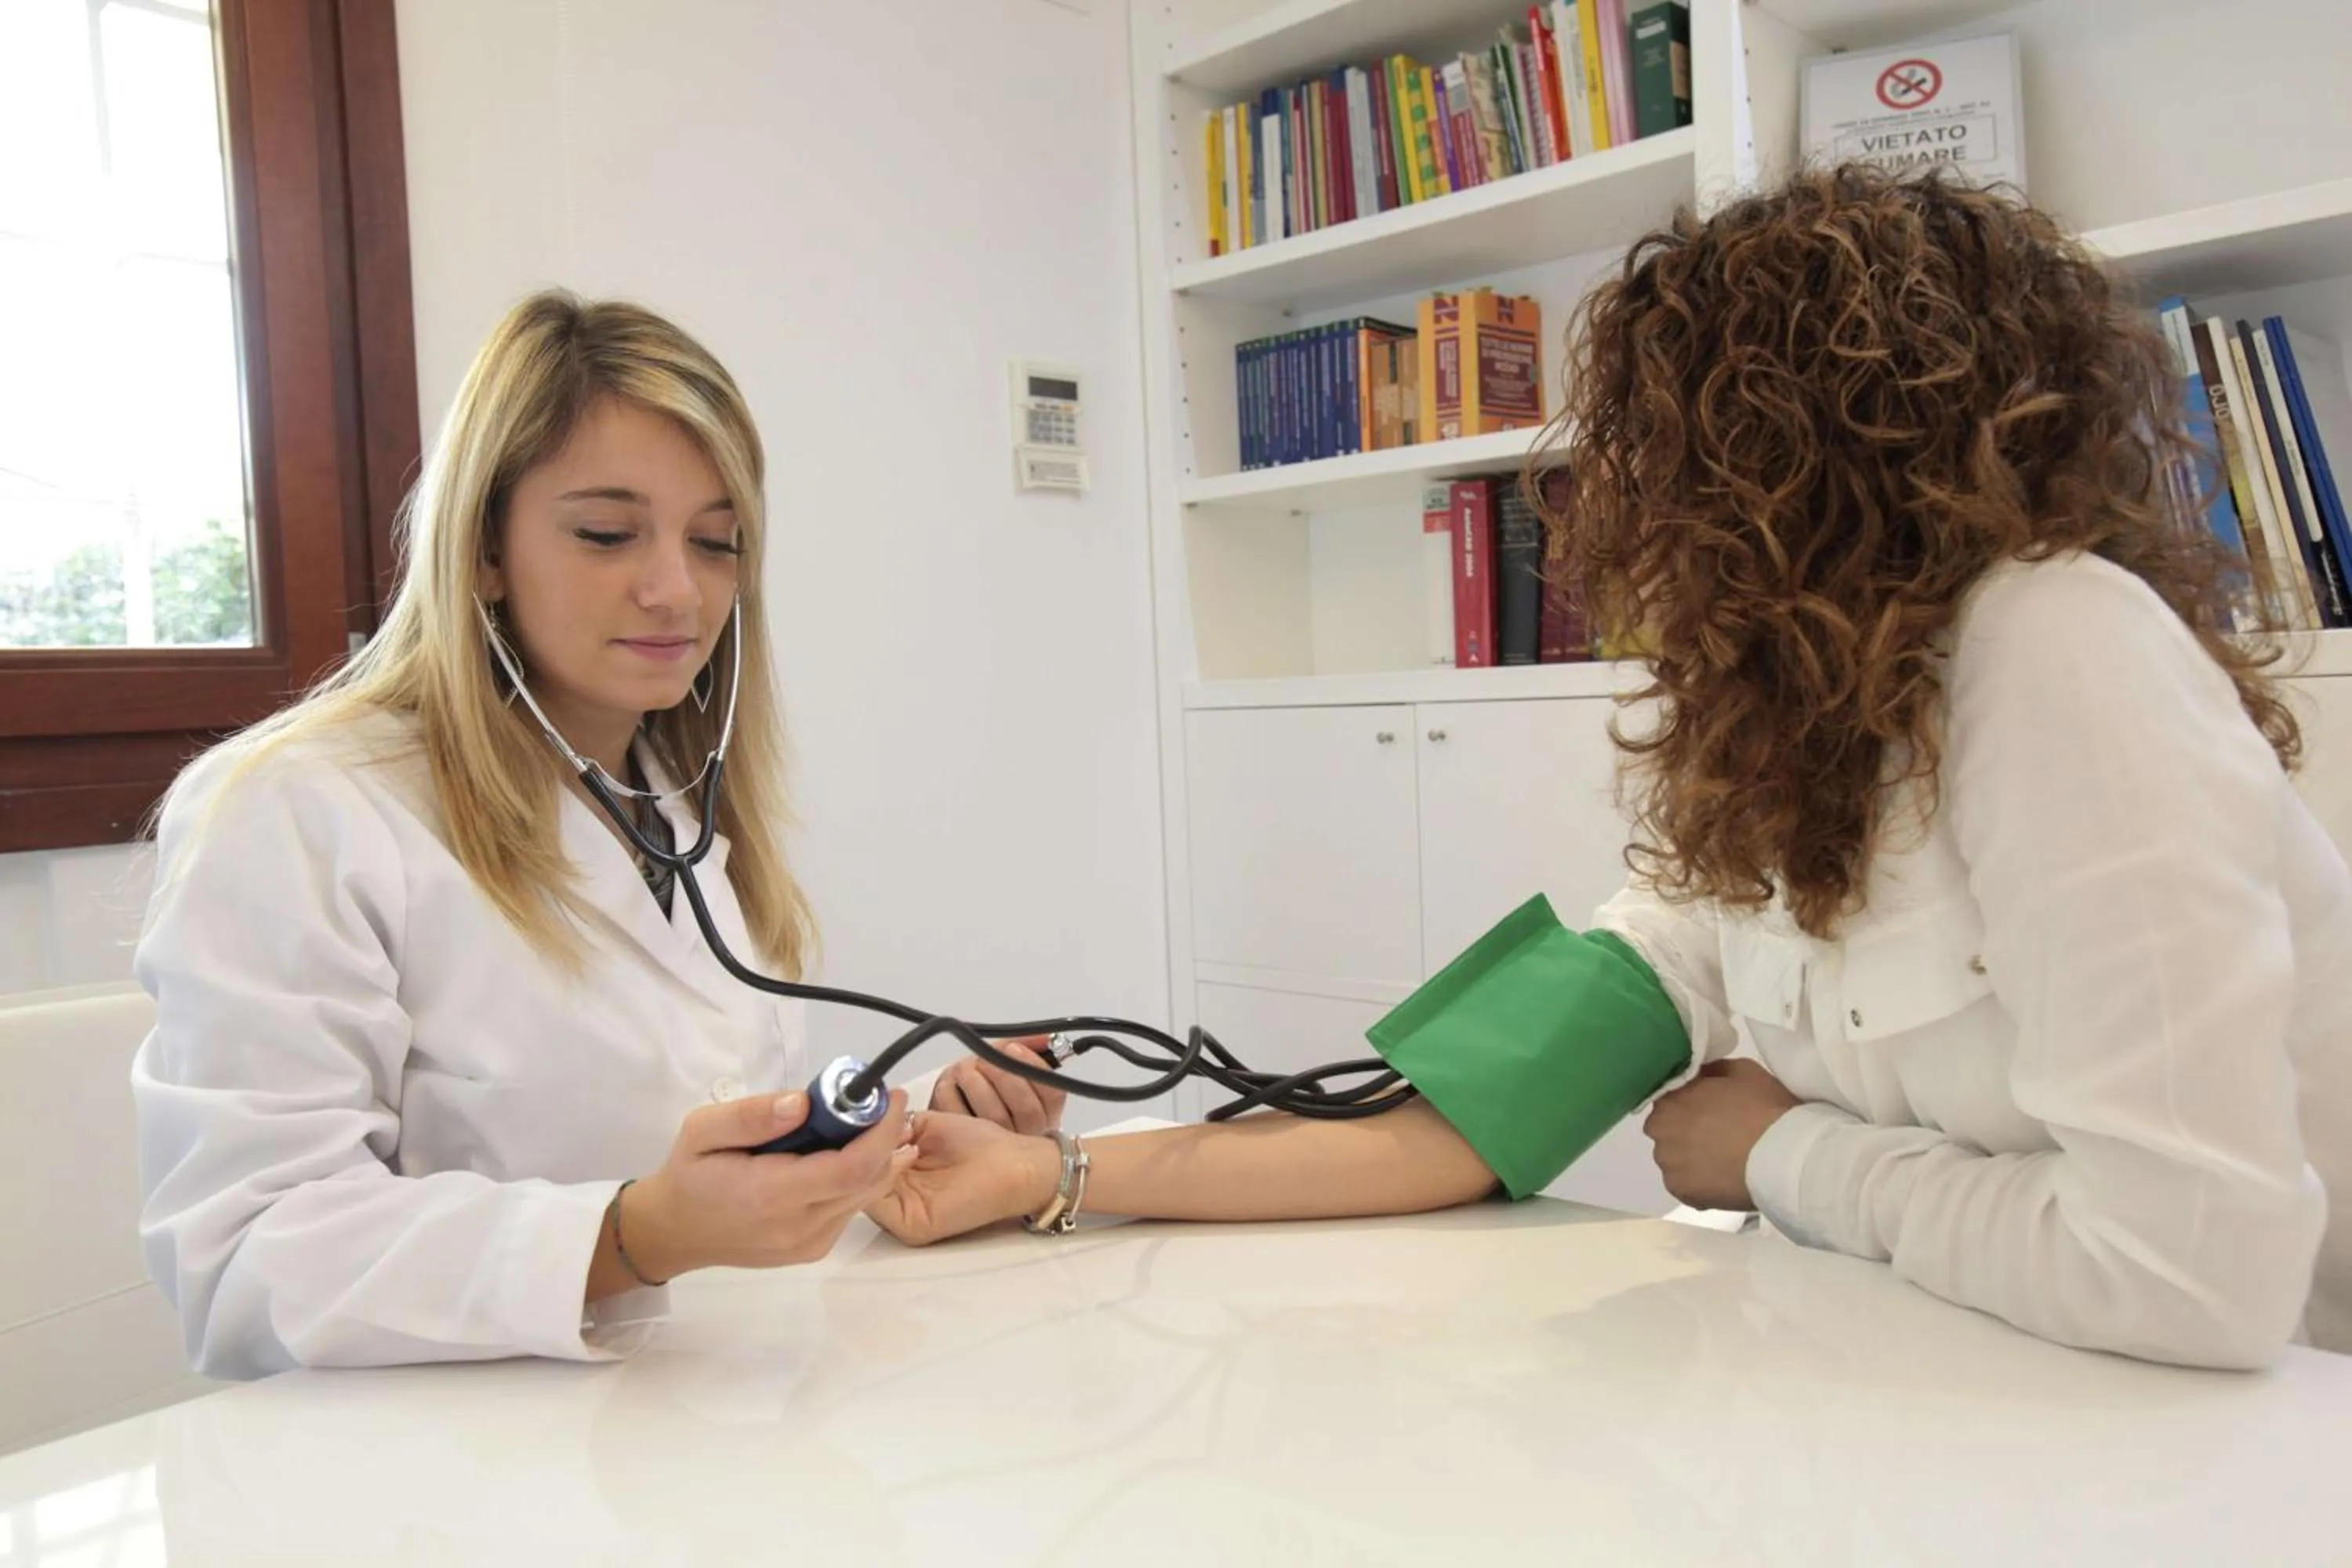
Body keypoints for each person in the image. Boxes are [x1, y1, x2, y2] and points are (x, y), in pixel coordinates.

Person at [867, 166, 2352, 1371]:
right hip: (1970, 1392)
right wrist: (1060, 1176)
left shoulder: (2055, 643)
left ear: (1785, 463)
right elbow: (1473, 1115)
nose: (1620, 511)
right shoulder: (1793, 748)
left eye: (1660, 452)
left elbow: (2190, 1279)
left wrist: (1784, 1155)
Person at [133, 290, 1063, 1379]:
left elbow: (704, 1139)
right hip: (445, 1460)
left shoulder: (676, 806)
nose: (678, 590)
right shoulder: (297, 809)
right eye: (608, 534)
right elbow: (249, 1264)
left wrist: (888, 1139)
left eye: (716, 542)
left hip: (706, 1411)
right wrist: (634, 1236)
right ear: (483, 548)